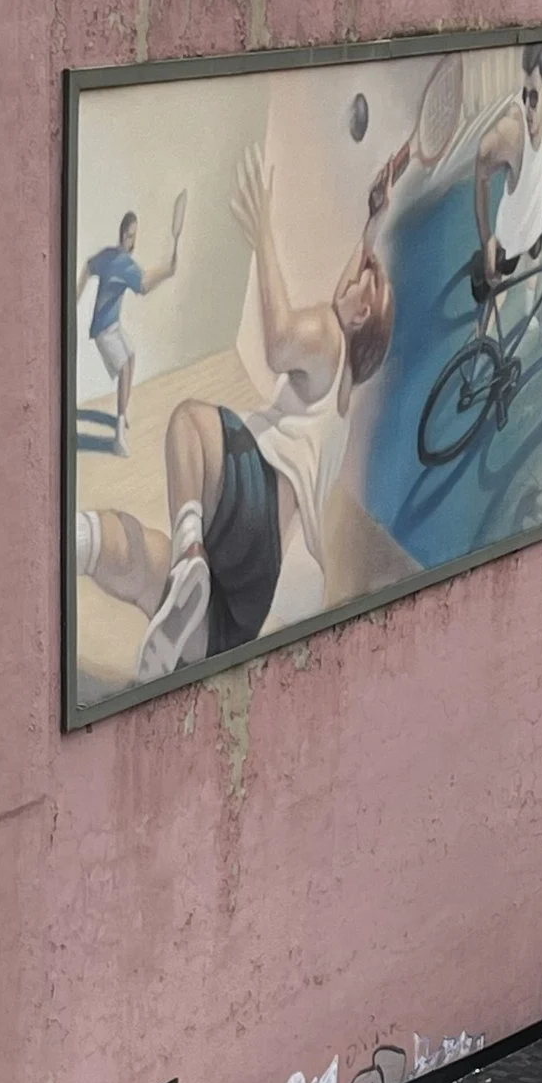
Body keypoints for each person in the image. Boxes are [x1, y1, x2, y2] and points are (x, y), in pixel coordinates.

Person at [77, 140, 399, 681]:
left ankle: (190, 553)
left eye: (354, 284)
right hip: (252, 592)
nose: (344, 283)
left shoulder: (327, 335)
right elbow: (349, 289)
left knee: (190, 421)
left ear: (361, 310)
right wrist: (372, 227)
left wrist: (264, 233)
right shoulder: (341, 394)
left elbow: (279, 342)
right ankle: (133, 561)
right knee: (134, 558)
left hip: (255, 503)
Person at [77, 194, 185, 454]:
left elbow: (89, 267)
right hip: (103, 331)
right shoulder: (120, 263)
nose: (132, 241)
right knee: (125, 367)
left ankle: (121, 413)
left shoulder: (110, 257)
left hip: (113, 326)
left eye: (134, 236)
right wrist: (168, 271)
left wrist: (167, 270)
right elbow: (144, 285)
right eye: (129, 236)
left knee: (132, 356)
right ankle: (118, 438)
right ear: (122, 234)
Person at [467, 41, 542, 330]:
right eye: (525, 96)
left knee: (534, 264)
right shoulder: (512, 128)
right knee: (498, 293)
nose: (529, 110)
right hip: (509, 233)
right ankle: (482, 343)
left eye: (535, 98)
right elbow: (482, 160)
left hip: (532, 222)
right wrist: (487, 239)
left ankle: (529, 315)